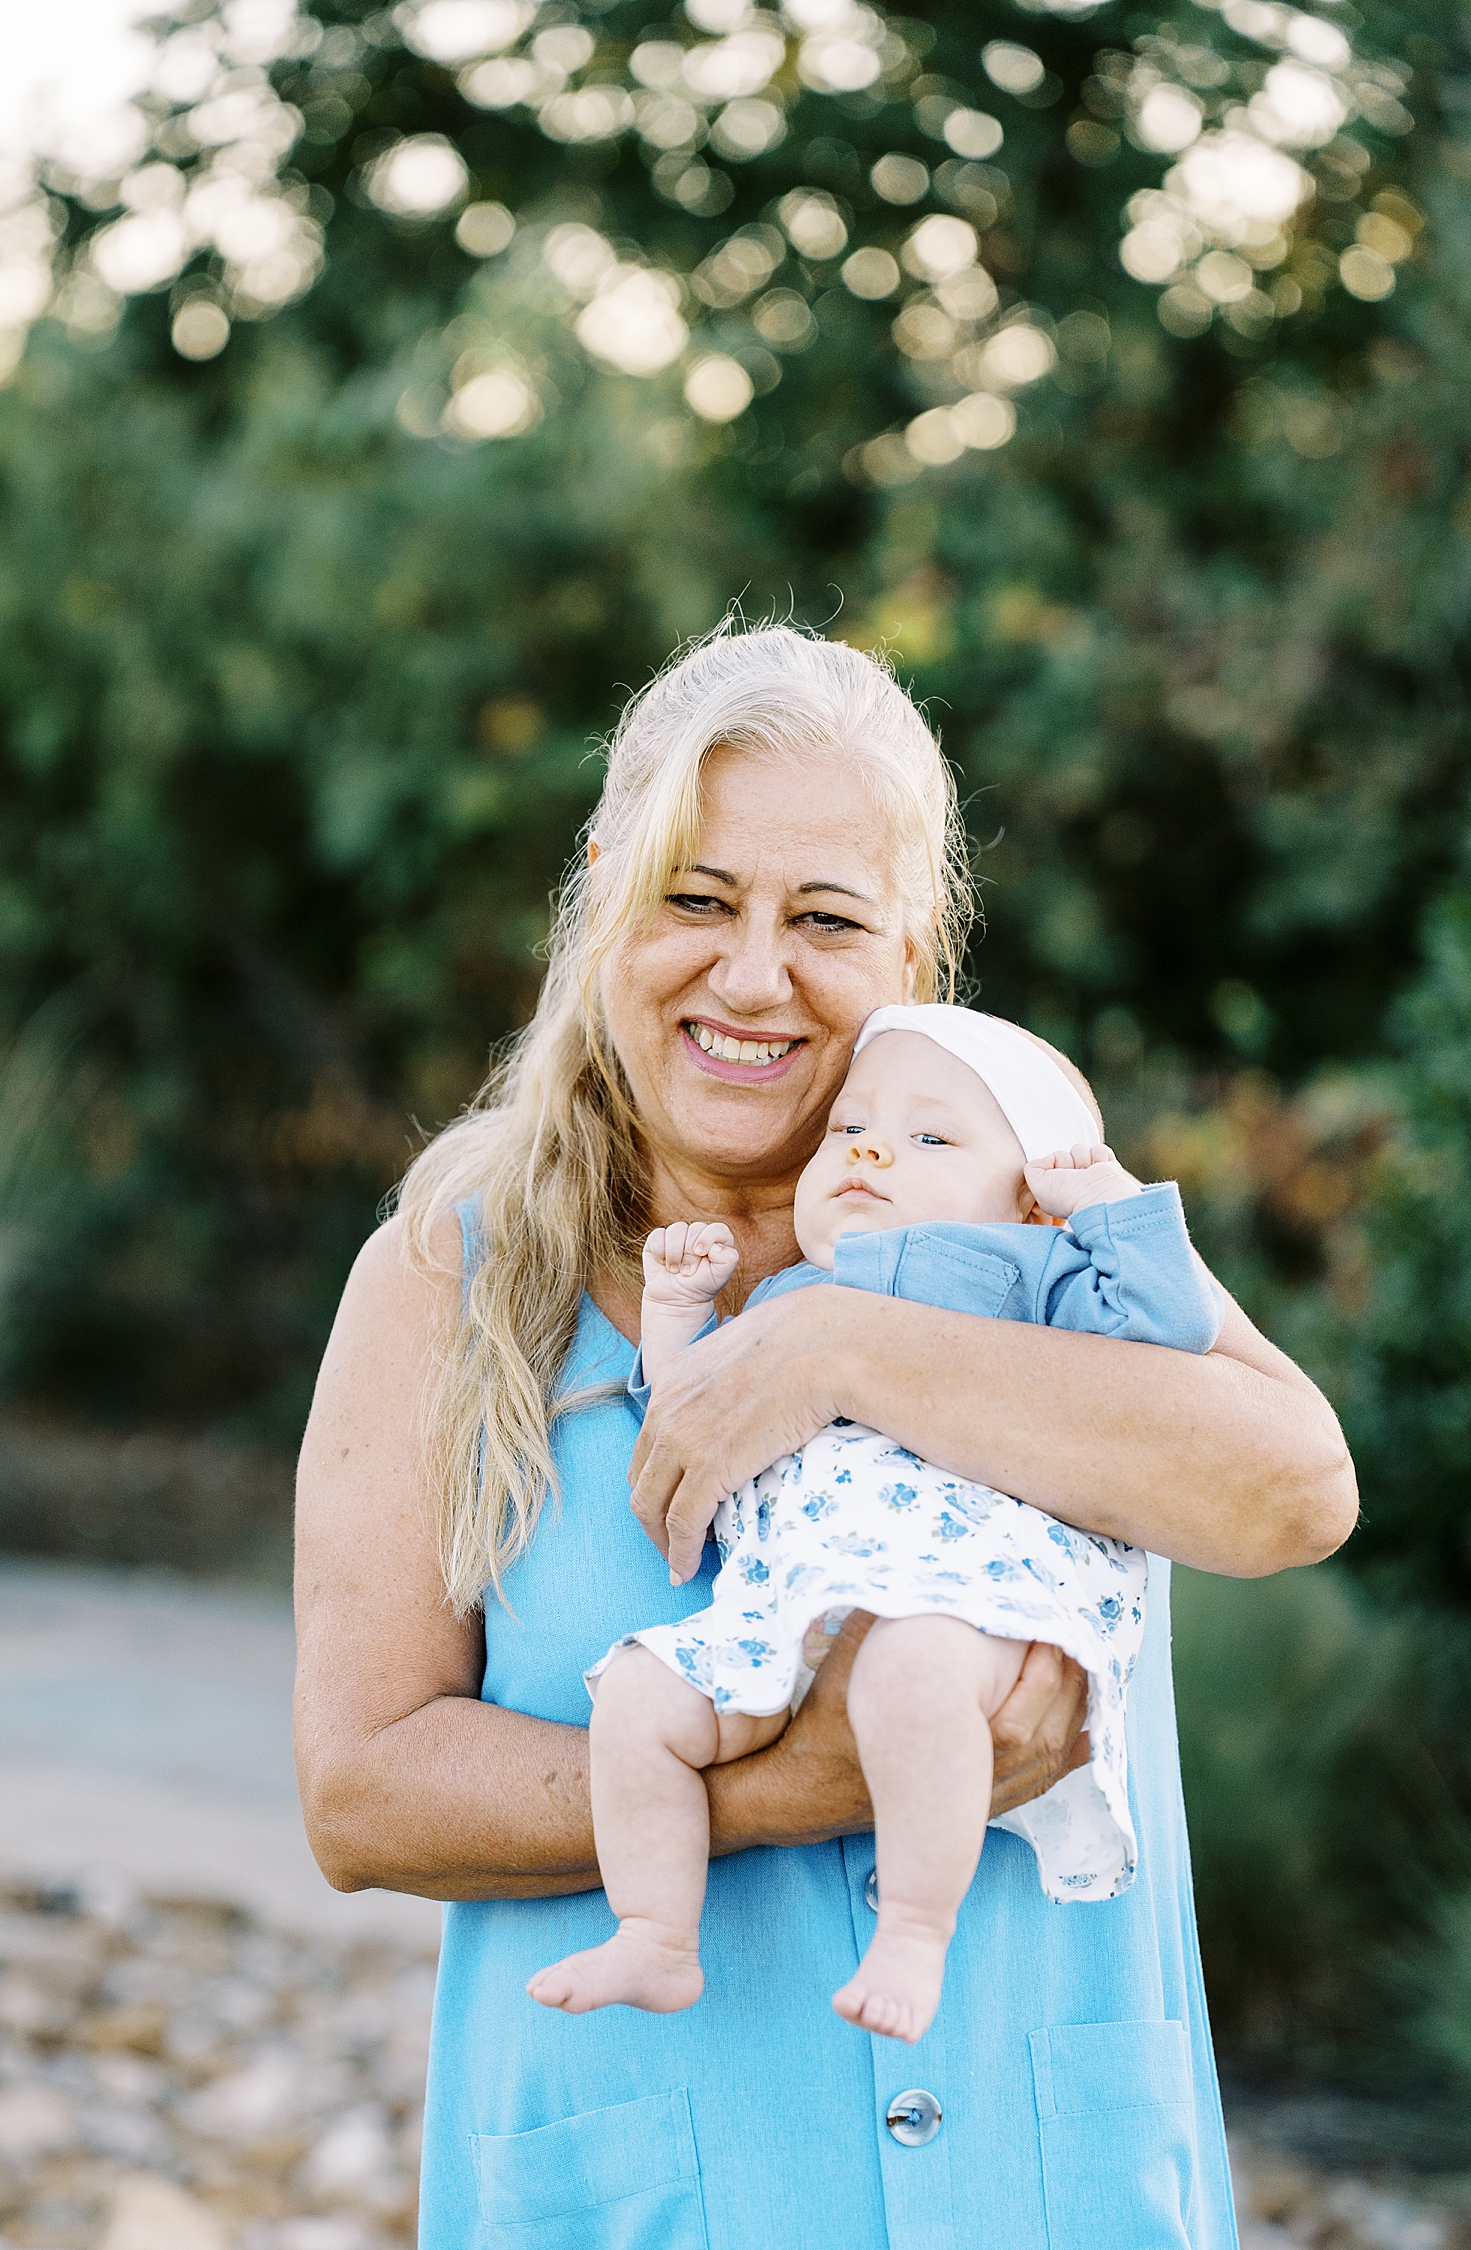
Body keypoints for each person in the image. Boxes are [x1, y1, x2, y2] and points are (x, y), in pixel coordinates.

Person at [293, 626, 1356, 2250]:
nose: (751, 974)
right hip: (657, 2192)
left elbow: (1293, 1489)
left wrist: (846, 1342)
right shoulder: (450, 1275)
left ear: (911, 953)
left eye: (826, 920)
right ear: (603, 894)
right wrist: (799, 1785)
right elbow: (363, 1794)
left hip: (1049, 2186)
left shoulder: (1039, 1208)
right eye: (696, 898)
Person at [530, 1003, 1221, 2044]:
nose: (872, 1148)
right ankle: (656, 1932)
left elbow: (1170, 1326)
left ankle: (913, 1931)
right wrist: (681, 1314)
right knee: (636, 1697)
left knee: (911, 1676)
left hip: (965, 1597)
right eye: (850, 1127)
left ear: (1029, 1199)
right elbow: (693, 1418)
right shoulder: (784, 1299)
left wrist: (1109, 1207)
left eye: (932, 1137)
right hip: (784, 1614)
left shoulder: (1028, 1275)